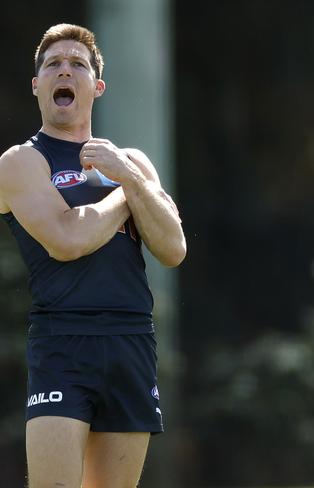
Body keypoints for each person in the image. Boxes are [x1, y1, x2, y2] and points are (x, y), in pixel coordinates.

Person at [0, 24, 186, 487]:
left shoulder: (131, 162)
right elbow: (67, 239)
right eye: (53, 65)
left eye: (77, 64)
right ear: (38, 86)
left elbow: (173, 246)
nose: (65, 70)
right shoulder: (21, 162)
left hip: (131, 340)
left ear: (96, 87)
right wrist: (130, 190)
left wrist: (128, 173)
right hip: (63, 341)